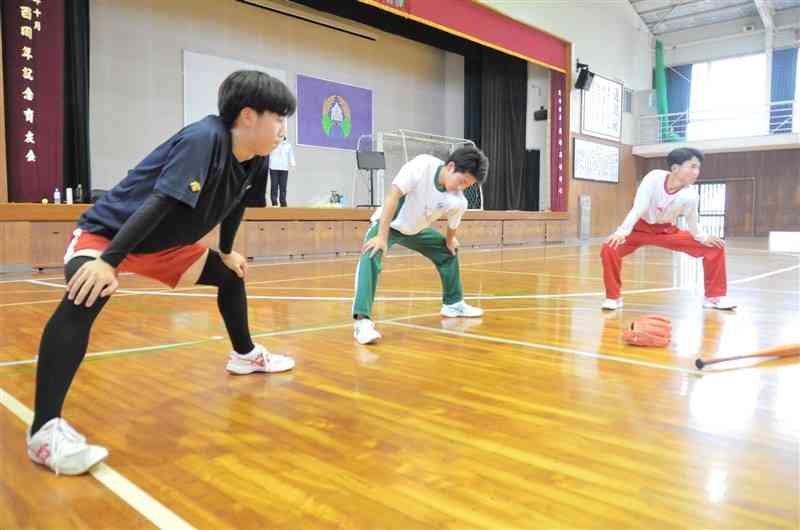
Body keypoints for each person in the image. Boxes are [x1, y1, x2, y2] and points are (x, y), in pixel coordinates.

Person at [26, 70, 297, 475]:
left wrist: (224, 251)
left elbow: (236, 205)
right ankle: (44, 431)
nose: (283, 128)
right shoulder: (203, 138)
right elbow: (161, 203)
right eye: (279, 118)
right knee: (88, 292)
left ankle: (244, 356)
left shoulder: (256, 159)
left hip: (163, 245)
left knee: (230, 276)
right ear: (247, 117)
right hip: (110, 236)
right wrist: (107, 262)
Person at [352, 146, 488, 344]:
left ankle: (453, 303)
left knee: (448, 252)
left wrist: (450, 241)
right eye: (461, 181)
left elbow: (453, 225)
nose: (461, 188)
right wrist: (381, 236)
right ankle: (362, 322)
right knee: (372, 252)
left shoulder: (458, 201)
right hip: (390, 224)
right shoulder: (422, 166)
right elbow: (393, 195)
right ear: (450, 167)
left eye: (467, 185)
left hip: (416, 230)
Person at [600, 147, 736, 311]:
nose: (696, 172)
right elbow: (639, 207)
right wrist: (621, 232)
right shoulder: (654, 178)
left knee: (714, 248)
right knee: (609, 248)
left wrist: (703, 237)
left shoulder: (690, 195)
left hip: (666, 231)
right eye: (692, 166)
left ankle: (714, 296)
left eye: (698, 168)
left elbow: (692, 220)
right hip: (638, 229)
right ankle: (613, 297)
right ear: (675, 168)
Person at [268, 135, 295, 207]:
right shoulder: (272, 144)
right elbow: (268, 154)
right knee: (274, 186)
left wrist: (293, 165)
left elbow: (291, 155)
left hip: (284, 168)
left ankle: (283, 202)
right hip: (273, 167)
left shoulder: (288, 145)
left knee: (283, 186)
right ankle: (274, 203)